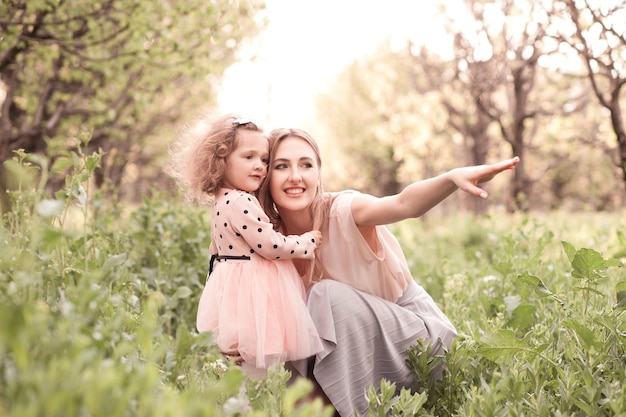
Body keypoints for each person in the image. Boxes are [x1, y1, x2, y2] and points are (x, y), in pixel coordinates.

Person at [257, 127, 520, 417]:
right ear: (267, 175)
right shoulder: (268, 240)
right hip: (357, 360)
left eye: (306, 165)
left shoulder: (343, 210)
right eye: (282, 166)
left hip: (418, 347)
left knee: (325, 295)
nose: (295, 176)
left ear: (318, 173)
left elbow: (403, 203)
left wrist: (450, 179)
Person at [167, 113, 324, 378]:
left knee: (247, 361)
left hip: (235, 290)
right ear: (221, 160)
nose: (259, 166)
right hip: (254, 292)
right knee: (260, 358)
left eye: (264, 159)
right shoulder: (241, 202)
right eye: (248, 157)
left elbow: (215, 250)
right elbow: (270, 246)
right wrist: (305, 242)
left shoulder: (222, 200)